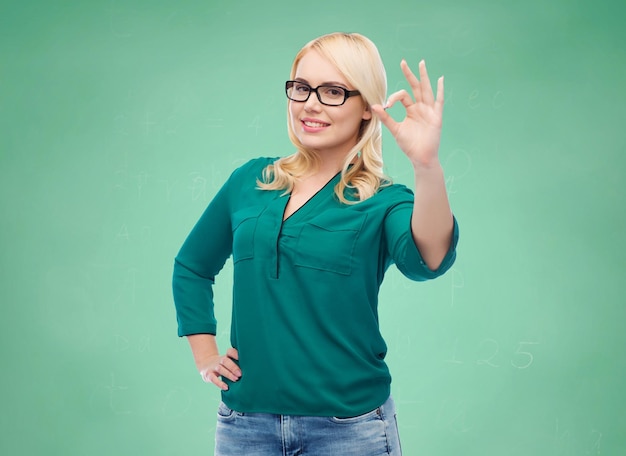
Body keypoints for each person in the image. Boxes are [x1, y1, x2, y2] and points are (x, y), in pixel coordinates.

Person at [172, 32, 459, 456]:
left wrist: (426, 165)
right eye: (301, 87)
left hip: (349, 430)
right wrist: (204, 355)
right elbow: (192, 266)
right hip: (245, 428)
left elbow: (430, 258)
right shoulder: (250, 181)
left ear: (366, 107)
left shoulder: (383, 199)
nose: (310, 103)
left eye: (333, 92)